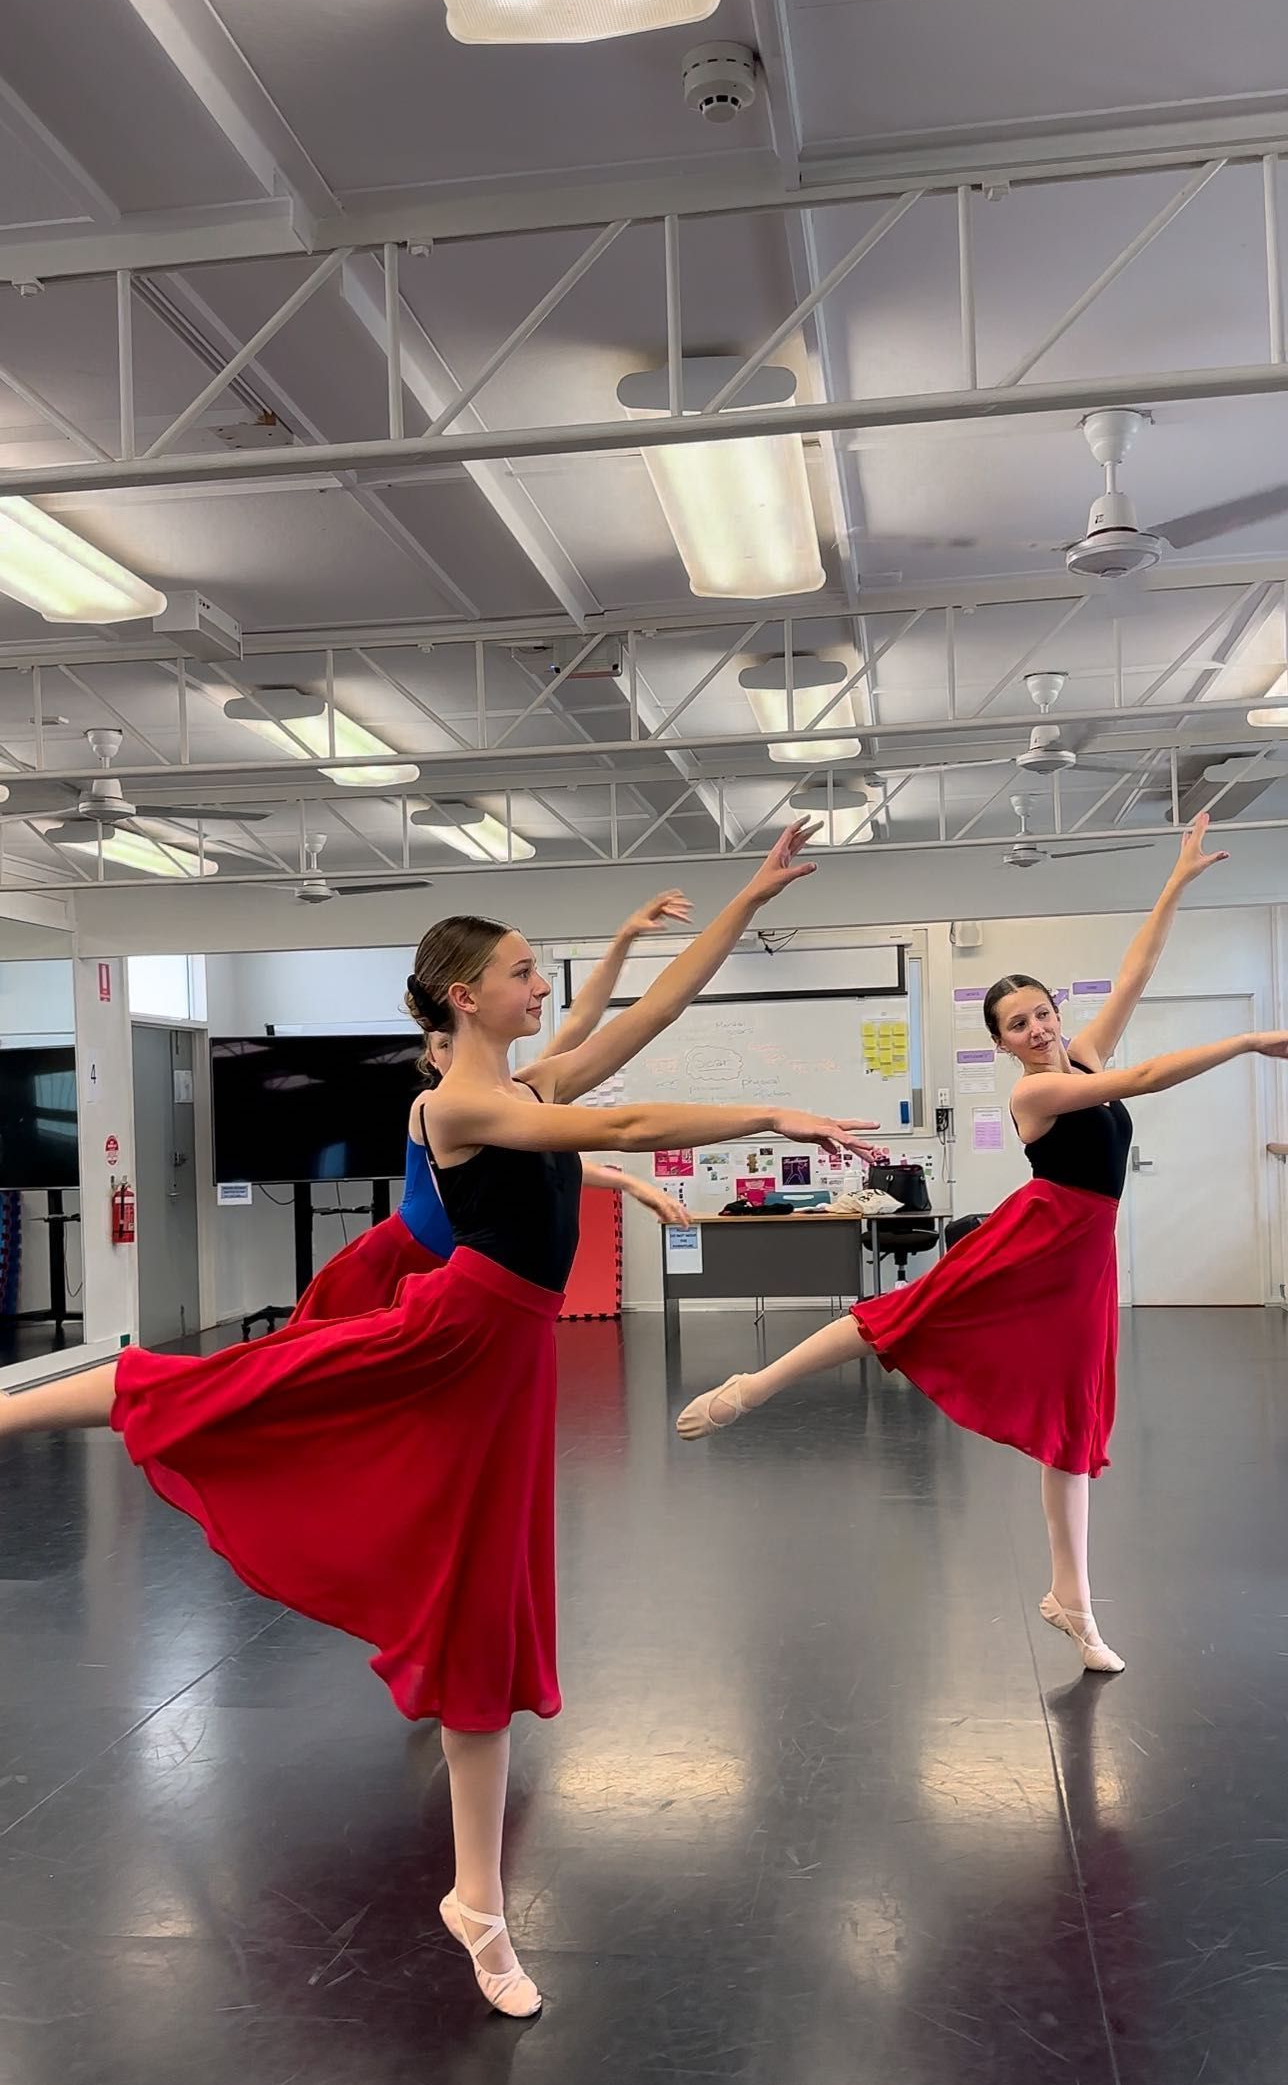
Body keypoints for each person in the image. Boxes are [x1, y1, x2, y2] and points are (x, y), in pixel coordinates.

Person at [0, 823, 874, 2020]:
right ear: (467, 997)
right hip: (451, 1338)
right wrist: (772, 1109)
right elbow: (619, 1133)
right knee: (219, 1393)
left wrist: (744, 899)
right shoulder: (460, 1106)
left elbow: (655, 1011)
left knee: (478, 1606)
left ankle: (476, 1895)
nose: (540, 987)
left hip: (506, 1363)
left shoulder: (529, 1078)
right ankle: (479, 1903)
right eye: (523, 971)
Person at [678, 815, 1288, 1679]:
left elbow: (1137, 972)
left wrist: (1175, 884)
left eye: (1042, 1014)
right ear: (1000, 1042)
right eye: (1018, 1024)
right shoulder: (1039, 1095)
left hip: (1086, 1255)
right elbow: (1145, 1078)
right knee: (907, 1313)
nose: (1038, 1030)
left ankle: (1070, 1599)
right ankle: (753, 1386)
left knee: (1072, 1425)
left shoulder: (1079, 1054)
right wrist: (1251, 1040)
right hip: (1039, 1237)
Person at [290, 889, 696, 1324]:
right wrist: (627, 1183)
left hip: (456, 1263)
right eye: (442, 1045)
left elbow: (580, 1021)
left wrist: (624, 939)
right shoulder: (437, 1107)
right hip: (404, 1257)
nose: (451, 1050)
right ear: (433, 1053)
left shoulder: (517, 1092)